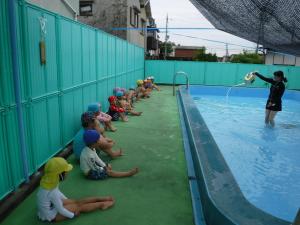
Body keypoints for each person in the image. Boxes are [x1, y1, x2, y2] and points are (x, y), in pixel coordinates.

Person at [37, 157, 114, 222]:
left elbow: (57, 192)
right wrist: (72, 215)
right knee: (79, 207)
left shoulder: (49, 181)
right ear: (60, 174)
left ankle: (101, 199)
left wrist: (66, 200)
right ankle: (102, 204)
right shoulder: (51, 192)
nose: (67, 173)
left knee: (76, 202)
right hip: (51, 216)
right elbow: (60, 209)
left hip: (52, 206)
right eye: (66, 171)